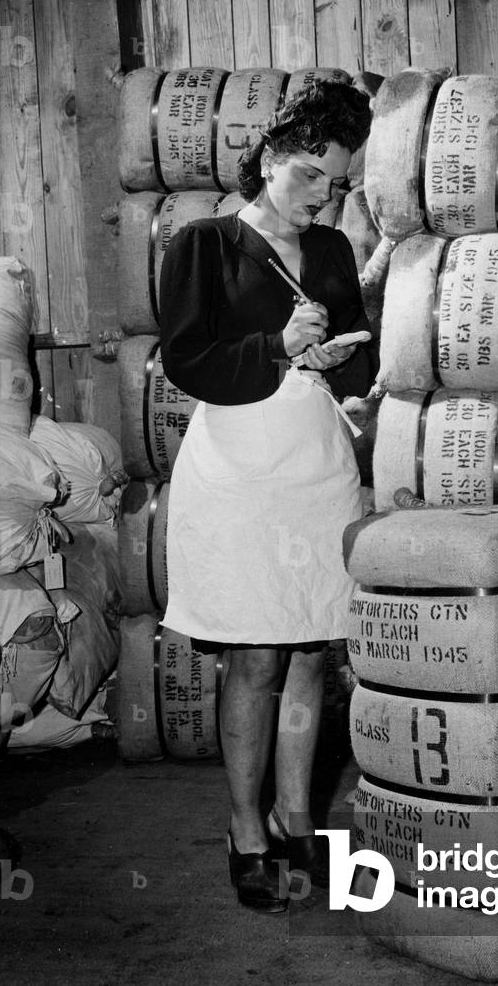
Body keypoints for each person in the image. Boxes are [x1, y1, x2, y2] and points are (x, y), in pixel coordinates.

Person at [158, 80, 377, 912]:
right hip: (240, 467)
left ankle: (295, 820)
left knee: (312, 650)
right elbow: (186, 356)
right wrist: (276, 346)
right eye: (313, 176)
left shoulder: (331, 253)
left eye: (339, 181)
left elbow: (357, 355)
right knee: (256, 653)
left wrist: (337, 363)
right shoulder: (204, 244)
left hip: (315, 465)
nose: (326, 195)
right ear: (271, 160)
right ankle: (245, 831)